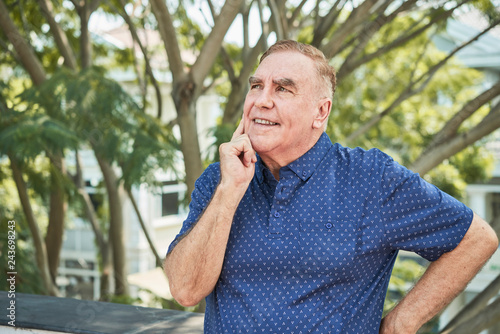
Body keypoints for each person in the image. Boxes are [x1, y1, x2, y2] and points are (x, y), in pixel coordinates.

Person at [164, 40, 498, 333]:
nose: (262, 100)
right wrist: (229, 190)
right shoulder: (219, 177)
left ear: (320, 112)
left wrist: (402, 322)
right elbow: (185, 290)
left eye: (282, 88)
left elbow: (476, 238)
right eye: (257, 86)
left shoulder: (371, 179)